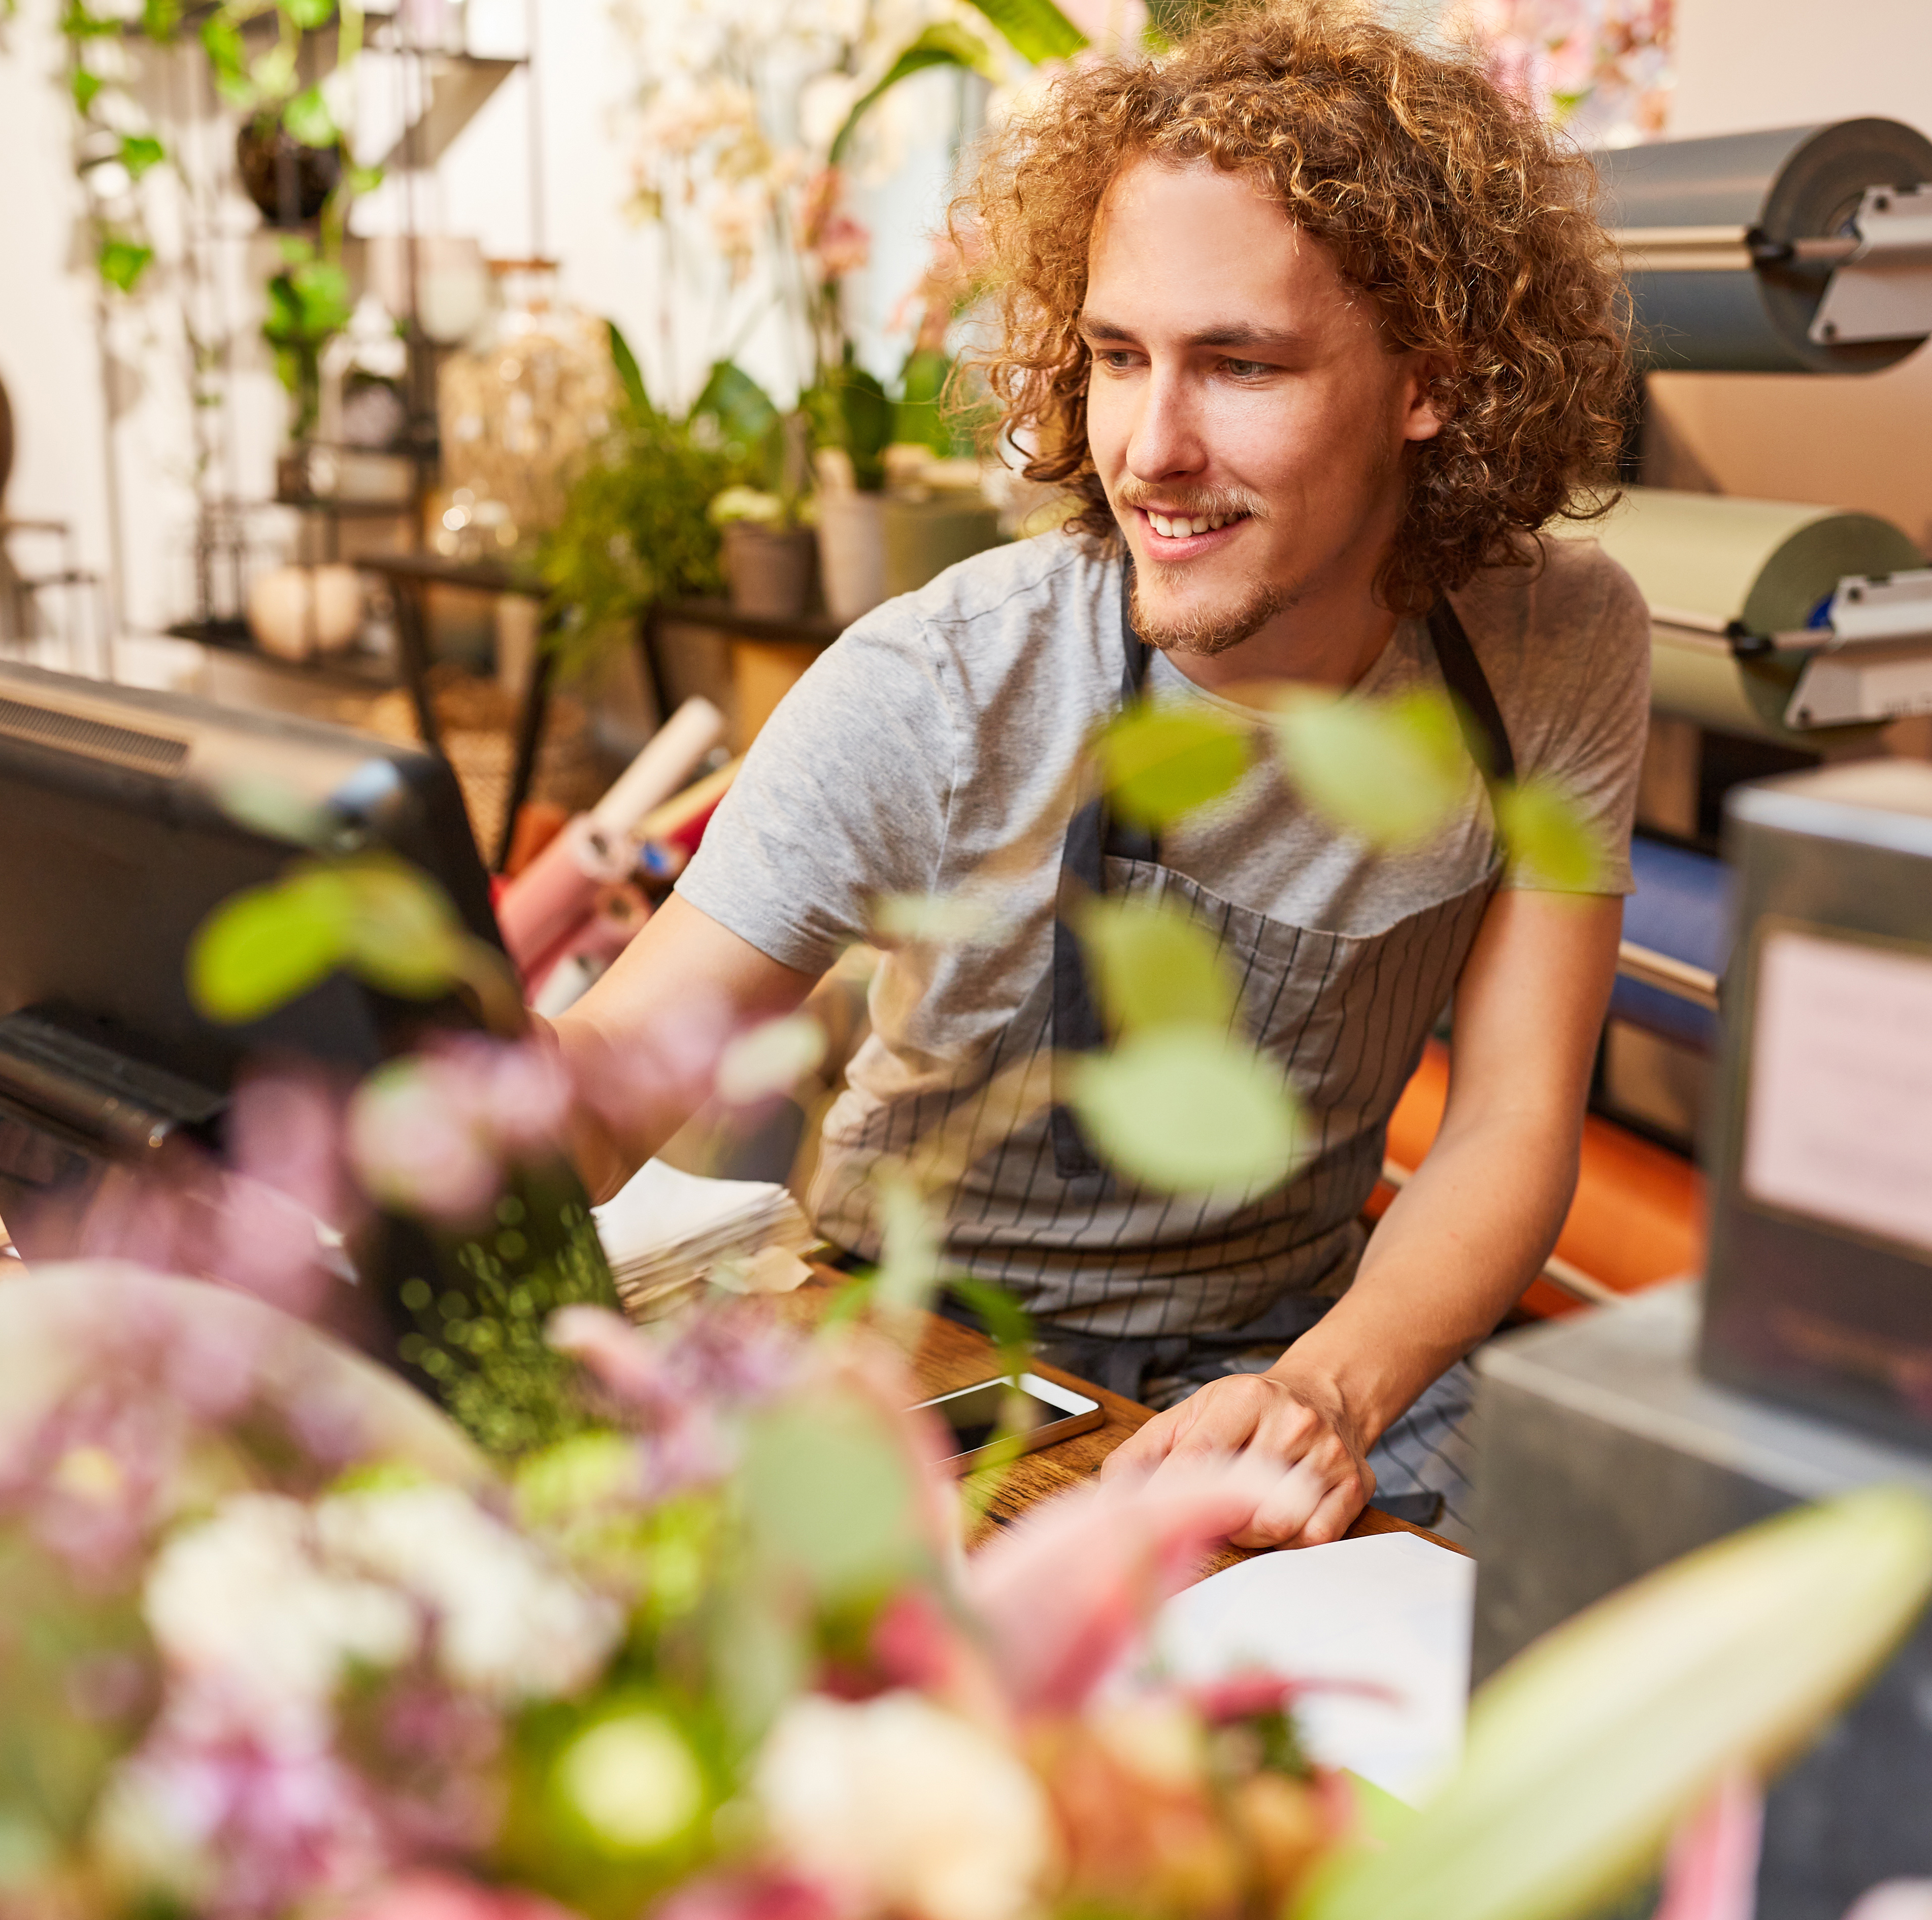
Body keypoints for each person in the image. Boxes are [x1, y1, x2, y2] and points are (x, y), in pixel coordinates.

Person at [551, 6, 1645, 1547]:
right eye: (1118, 357)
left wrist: (1324, 1391)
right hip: (919, 1342)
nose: (1147, 448)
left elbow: (1513, 1120)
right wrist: (432, 1112)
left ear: (1431, 379)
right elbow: (615, 1068)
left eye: (1239, 364)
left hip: (1290, 1346)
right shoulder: (942, 683)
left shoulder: (1552, 641)